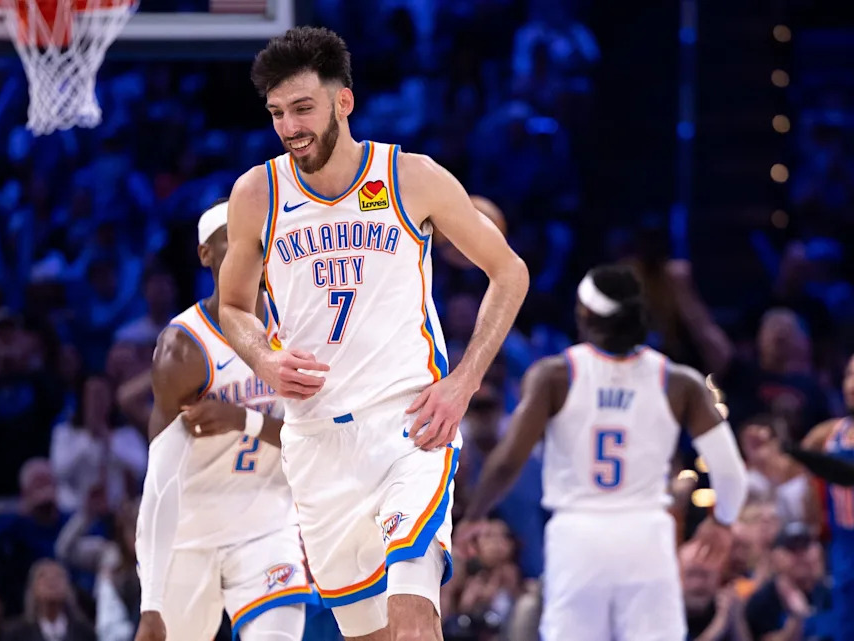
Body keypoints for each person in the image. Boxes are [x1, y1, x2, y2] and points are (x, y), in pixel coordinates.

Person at [218, 26, 528, 641]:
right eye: (277, 113)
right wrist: (264, 359)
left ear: (343, 102)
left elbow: (509, 272)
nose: (289, 126)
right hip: (314, 441)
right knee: (370, 634)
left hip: (408, 426)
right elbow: (232, 307)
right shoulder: (258, 193)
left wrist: (464, 382)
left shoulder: (411, 177)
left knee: (413, 607)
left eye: (303, 108)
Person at [456, 264, 749, 641]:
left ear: (585, 316)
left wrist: (475, 515)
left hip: (578, 535)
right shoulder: (678, 382)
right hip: (646, 534)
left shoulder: (555, 376)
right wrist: (722, 521)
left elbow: (508, 460)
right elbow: (730, 472)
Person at [134, 202, 314, 641]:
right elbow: (161, 480)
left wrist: (243, 420)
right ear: (206, 254)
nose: (247, 253)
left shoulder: (301, 328)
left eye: (257, 242)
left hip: (268, 526)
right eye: (232, 242)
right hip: (188, 535)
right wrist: (151, 602)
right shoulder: (183, 348)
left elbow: (317, 440)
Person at [788, 353, 854, 641]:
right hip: (842, 548)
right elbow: (797, 472)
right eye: (849, 375)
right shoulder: (830, 433)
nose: (852, 383)